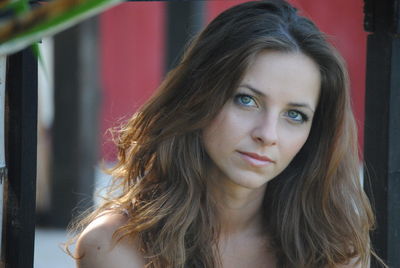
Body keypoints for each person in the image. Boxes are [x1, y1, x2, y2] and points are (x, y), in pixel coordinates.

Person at [68, 1, 385, 267]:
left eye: (295, 115)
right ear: (200, 96)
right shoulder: (115, 246)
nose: (267, 134)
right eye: (246, 100)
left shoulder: (333, 247)